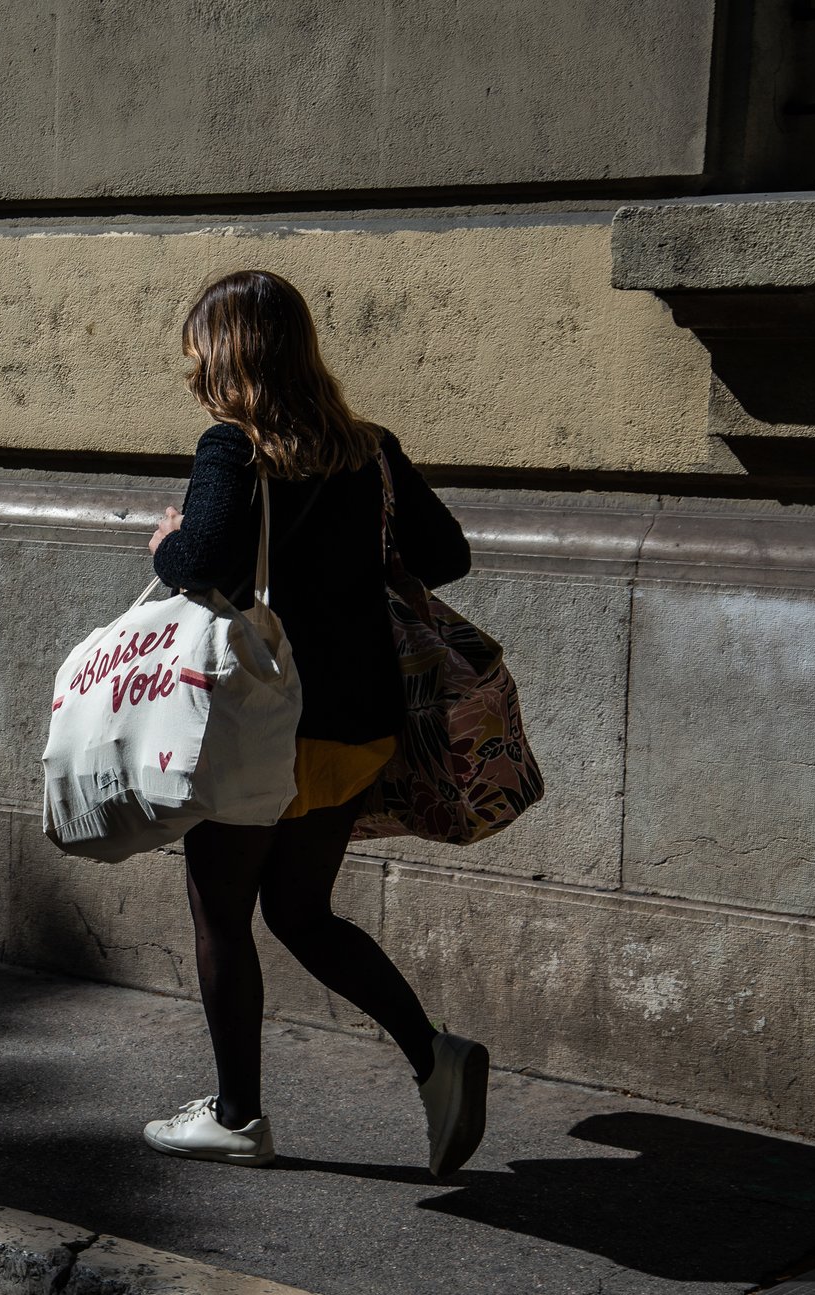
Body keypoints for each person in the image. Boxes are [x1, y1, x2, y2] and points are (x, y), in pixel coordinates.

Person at [141, 268, 487, 1178]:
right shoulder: (368, 449)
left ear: (224, 359)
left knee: (222, 909)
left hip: (259, 726)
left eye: (197, 355)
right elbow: (445, 554)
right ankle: (435, 1057)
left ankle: (238, 1115)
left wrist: (164, 541)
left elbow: (204, 559)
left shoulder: (232, 449)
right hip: (353, 728)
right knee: (298, 909)